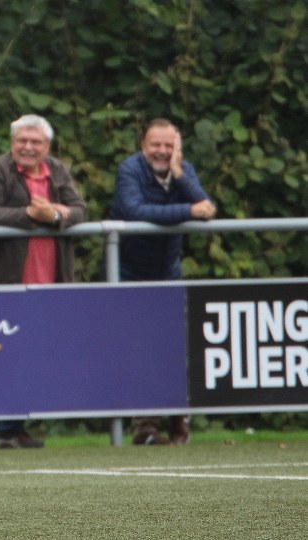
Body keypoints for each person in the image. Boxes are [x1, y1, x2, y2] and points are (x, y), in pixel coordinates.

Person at [0, 114, 88, 449]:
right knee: (6, 356)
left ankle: (17, 425)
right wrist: (30, 215)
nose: (27, 147)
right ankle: (5, 429)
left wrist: (53, 215)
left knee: (37, 355)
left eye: (35, 142)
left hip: (52, 282)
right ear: (12, 143)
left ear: (47, 146)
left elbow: (80, 210)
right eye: (22, 140)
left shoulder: (58, 170)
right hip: (5, 284)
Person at [106, 117, 217, 446]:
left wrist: (181, 176)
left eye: (169, 146)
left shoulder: (184, 170)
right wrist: (188, 211)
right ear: (143, 146)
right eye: (156, 145)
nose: (163, 152)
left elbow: (207, 208)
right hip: (127, 273)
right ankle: (145, 428)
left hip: (169, 272)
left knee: (175, 347)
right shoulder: (130, 169)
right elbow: (135, 211)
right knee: (139, 349)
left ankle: (178, 423)